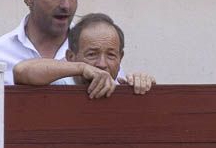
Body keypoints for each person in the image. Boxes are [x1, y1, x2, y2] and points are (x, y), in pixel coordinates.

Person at [12, 13, 155, 96]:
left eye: (111, 55)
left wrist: (142, 84)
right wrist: (81, 68)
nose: (102, 64)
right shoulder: (59, 83)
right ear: (70, 57)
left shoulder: (123, 86)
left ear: (120, 58)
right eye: (92, 54)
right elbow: (20, 71)